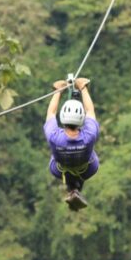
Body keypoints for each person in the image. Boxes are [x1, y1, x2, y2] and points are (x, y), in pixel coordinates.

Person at [43, 77, 100, 211]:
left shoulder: (54, 136)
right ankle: (75, 190)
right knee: (84, 159)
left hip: (59, 169)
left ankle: (73, 190)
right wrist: (83, 88)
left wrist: (58, 91)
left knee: (64, 162)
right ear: (81, 119)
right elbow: (90, 111)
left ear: (63, 117)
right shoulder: (89, 135)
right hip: (88, 168)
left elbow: (51, 113)